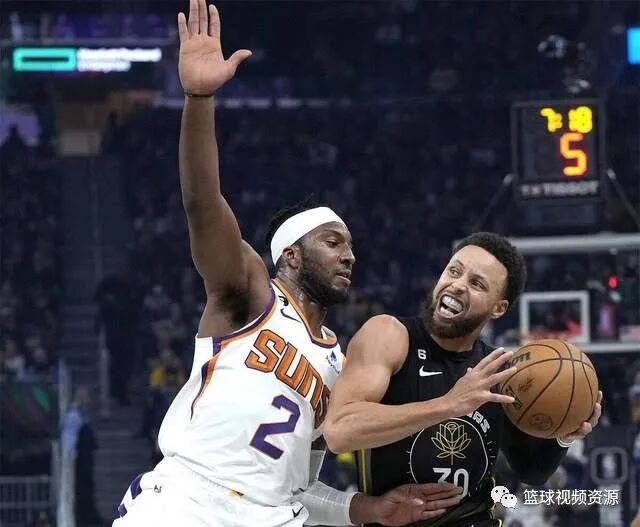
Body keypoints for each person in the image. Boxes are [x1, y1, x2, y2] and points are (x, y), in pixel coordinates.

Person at [112, 2, 462, 526]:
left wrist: (366, 508)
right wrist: (199, 100)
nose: (349, 254)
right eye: (332, 242)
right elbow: (203, 204)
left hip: (272, 516)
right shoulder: (251, 294)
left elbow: (300, 486)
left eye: (350, 245)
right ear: (291, 255)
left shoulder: (340, 365)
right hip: (188, 501)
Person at [325, 232, 603, 526]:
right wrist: (449, 405)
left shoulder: (499, 371)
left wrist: (563, 435)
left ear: (498, 308)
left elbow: (531, 471)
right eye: (454, 271)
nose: (457, 285)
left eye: (477, 283)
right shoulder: (389, 335)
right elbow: (340, 431)